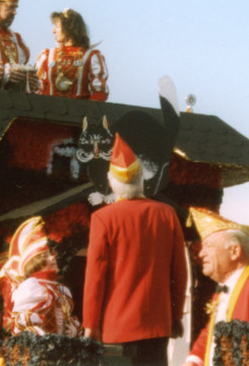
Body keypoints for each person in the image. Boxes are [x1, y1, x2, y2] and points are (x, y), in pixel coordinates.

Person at [82, 134, 187, 366]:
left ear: (111, 183)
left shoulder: (103, 218)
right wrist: (176, 316)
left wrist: (90, 323)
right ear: (142, 181)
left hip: (117, 327)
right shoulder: (167, 214)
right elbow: (179, 272)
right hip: (158, 327)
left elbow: (95, 277)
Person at [183, 207, 249, 366]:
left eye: (208, 246)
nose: (201, 254)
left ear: (235, 251)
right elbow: (211, 332)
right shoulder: (223, 289)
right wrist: (193, 360)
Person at [0, 216, 81, 336]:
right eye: (47, 256)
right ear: (37, 263)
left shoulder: (60, 289)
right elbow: (19, 324)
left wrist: (73, 330)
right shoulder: (32, 286)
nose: (53, 258)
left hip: (61, 345)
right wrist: (38, 335)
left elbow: (68, 318)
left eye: (51, 255)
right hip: (40, 347)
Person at [35, 8, 109, 101]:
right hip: (47, 109)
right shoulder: (47, 55)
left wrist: (86, 110)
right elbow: (37, 90)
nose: (53, 31)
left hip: (80, 109)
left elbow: (99, 93)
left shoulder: (91, 56)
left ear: (69, 27)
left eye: (57, 27)